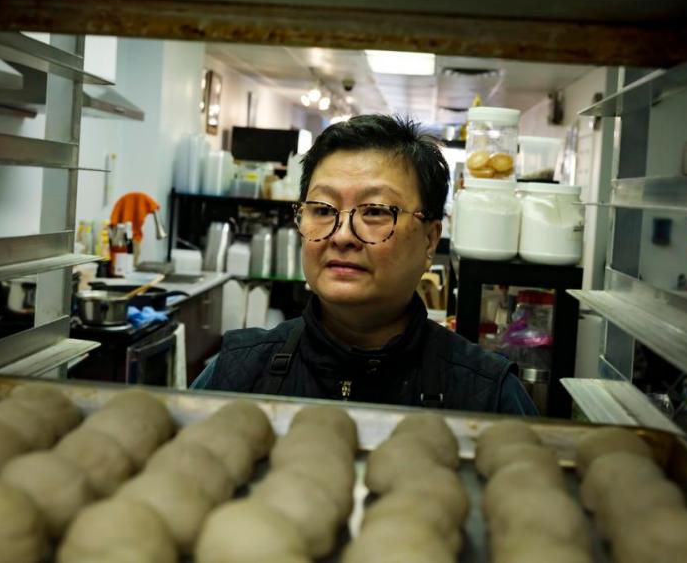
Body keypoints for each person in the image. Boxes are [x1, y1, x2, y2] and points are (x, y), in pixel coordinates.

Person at [192, 115, 537, 414]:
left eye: (375, 211)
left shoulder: (488, 393)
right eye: (323, 210)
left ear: (430, 240)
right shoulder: (237, 371)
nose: (342, 235)